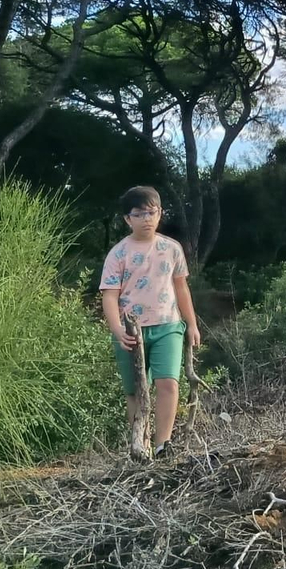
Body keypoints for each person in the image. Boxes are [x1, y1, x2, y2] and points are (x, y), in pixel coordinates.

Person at [100, 186, 201, 460]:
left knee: (168, 383)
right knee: (135, 390)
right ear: (127, 219)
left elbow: (181, 288)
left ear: (160, 214)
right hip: (131, 331)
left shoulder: (172, 248)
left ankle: (162, 445)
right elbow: (109, 296)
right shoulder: (118, 253)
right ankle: (140, 446)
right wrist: (117, 329)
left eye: (151, 212)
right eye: (139, 213)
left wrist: (191, 324)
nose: (147, 218)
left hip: (168, 325)